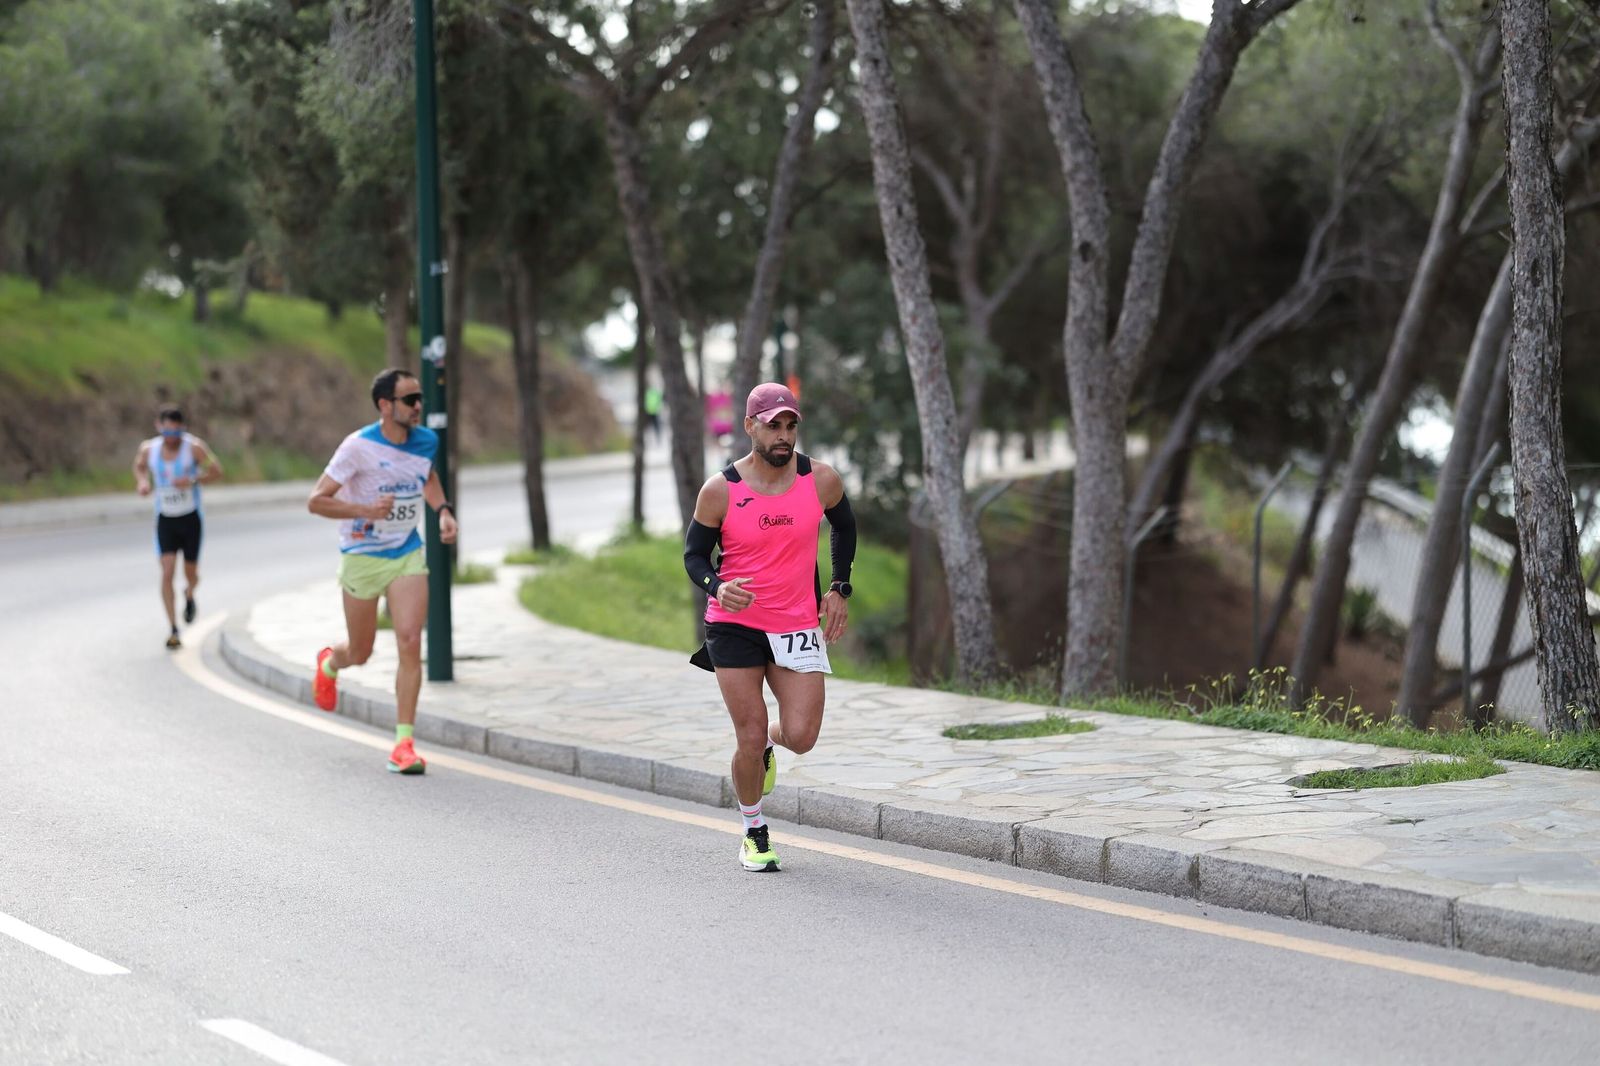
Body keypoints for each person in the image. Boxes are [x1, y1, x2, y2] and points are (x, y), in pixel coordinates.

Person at [684, 382, 857, 871]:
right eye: (773, 425)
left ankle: (767, 744)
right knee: (748, 731)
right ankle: (753, 829)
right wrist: (716, 587)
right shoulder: (722, 490)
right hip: (734, 626)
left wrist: (839, 587)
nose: (783, 436)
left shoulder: (820, 480)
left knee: (801, 735)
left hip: (796, 624)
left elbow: (845, 526)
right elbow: (693, 555)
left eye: (790, 426)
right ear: (750, 427)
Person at [307, 368, 457, 775]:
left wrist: (441, 510)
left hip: (406, 552)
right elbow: (316, 502)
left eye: (420, 398)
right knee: (361, 652)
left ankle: (403, 744)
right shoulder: (356, 448)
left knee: (410, 641)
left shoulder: (426, 440)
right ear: (385, 406)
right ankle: (330, 663)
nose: (419, 407)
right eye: (410, 400)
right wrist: (364, 510)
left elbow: (425, 476)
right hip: (361, 554)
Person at [133, 405, 223, 649]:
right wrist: (142, 482)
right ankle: (173, 628)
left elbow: (216, 471)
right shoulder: (148, 449)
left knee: (191, 574)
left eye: (176, 433)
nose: (171, 438)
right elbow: (140, 465)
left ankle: (190, 593)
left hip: (190, 518)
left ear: (182, 429)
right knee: (167, 571)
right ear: (158, 427)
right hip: (165, 519)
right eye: (167, 433)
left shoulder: (194, 447)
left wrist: (192, 480)